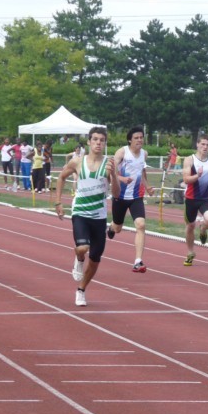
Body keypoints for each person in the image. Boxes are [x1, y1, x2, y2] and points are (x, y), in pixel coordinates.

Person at [54, 126, 120, 307]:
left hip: (99, 216)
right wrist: (58, 202)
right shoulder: (77, 162)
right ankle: (79, 258)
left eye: (102, 140)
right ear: (89, 142)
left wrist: (113, 174)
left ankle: (81, 289)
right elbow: (61, 177)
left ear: (105, 143)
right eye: (95, 139)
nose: (98, 143)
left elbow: (116, 193)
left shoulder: (109, 163)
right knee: (83, 247)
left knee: (96, 257)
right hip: (80, 212)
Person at [107, 126, 154, 273]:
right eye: (136, 138)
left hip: (136, 197)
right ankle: (111, 227)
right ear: (129, 140)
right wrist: (122, 178)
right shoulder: (122, 153)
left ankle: (138, 261)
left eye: (141, 137)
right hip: (120, 196)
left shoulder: (144, 154)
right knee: (118, 228)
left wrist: (147, 187)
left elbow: (142, 171)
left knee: (140, 225)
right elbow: (110, 174)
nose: (140, 140)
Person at [182, 134, 208, 266]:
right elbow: (186, 179)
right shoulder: (189, 160)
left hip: (206, 198)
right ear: (197, 144)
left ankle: (203, 229)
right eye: (203, 144)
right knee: (190, 226)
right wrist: (197, 176)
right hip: (191, 199)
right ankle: (190, 252)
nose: (205, 147)